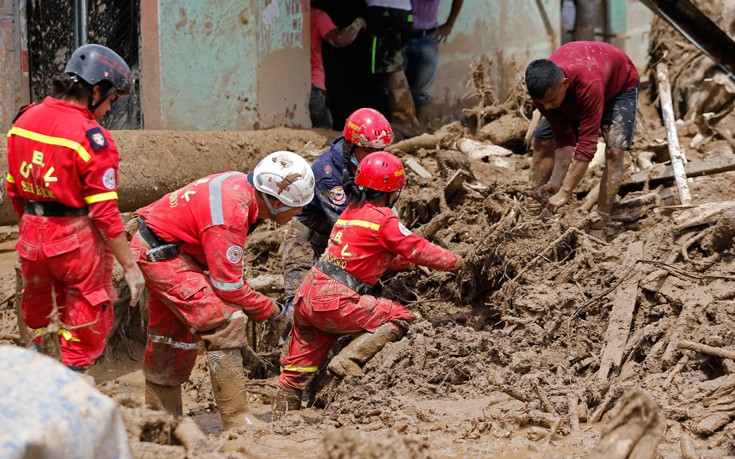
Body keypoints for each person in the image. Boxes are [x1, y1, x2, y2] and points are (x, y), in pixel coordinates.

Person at [129, 151, 315, 431]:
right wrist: (272, 311)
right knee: (225, 322)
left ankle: (161, 419)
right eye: (296, 206)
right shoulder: (230, 214)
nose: (299, 212)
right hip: (162, 255)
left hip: (164, 248)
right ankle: (237, 420)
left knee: (171, 337)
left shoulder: (241, 188)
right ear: (275, 202)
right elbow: (227, 286)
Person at [275, 151, 462, 410]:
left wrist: (406, 263)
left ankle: (280, 427)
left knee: (294, 375)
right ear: (392, 191)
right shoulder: (384, 219)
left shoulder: (350, 212)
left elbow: (371, 258)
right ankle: (348, 359)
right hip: (336, 300)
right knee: (400, 317)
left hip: (308, 296)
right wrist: (457, 263)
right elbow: (418, 248)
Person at [5, 44, 145, 374]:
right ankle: (72, 392)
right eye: (111, 99)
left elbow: (13, 191)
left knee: (42, 320)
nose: (109, 109)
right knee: (83, 325)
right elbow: (105, 214)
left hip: (30, 237)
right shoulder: (91, 138)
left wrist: (32, 227)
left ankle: (40, 385)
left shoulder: (24, 121)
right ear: (96, 90)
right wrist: (130, 266)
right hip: (75, 243)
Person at [525, 41, 639, 231]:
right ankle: (534, 205)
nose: (547, 108)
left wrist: (565, 191)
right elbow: (564, 141)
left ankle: (599, 221)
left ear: (564, 84)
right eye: (541, 102)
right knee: (542, 140)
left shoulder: (588, 85)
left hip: (618, 87)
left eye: (551, 101)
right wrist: (555, 184)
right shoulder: (544, 96)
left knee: (614, 153)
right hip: (582, 84)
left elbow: (587, 147)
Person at [281, 107, 393, 299]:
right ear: (350, 146)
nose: (373, 157)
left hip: (349, 226)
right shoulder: (327, 172)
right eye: (367, 151)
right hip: (311, 232)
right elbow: (346, 225)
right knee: (299, 295)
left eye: (379, 151)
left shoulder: (376, 165)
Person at [404, 0, 463, 122]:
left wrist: (450, 24)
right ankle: (392, 129)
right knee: (392, 89)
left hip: (426, 37)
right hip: (398, 36)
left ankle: (416, 130)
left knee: (420, 92)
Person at [310, 4, 367, 128]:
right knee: (323, 130)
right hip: (313, 84)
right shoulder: (315, 15)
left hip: (287, 84)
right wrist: (359, 23)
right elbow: (339, 39)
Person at [365, 0, 418, 126]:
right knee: (393, 64)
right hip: (402, 12)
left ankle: (404, 118)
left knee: (391, 67)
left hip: (385, 12)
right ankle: (408, 118)